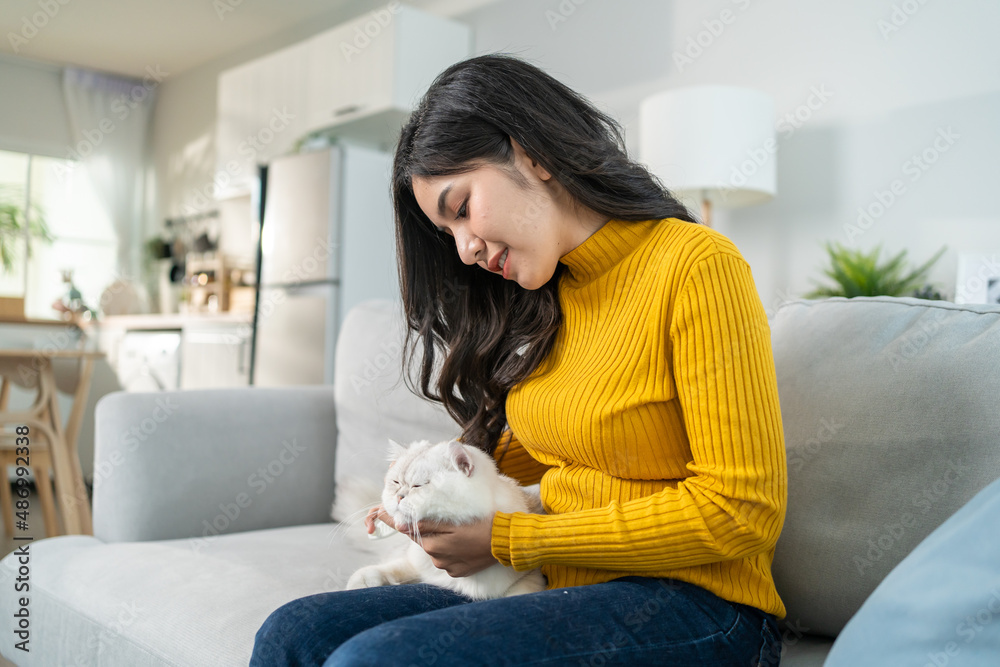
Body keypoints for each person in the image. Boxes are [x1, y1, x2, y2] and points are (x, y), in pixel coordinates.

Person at [250, 53, 787, 667]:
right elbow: (548, 445)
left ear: (530, 153)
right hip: (554, 587)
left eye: (461, 208)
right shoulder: (548, 295)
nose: (465, 249)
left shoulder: (696, 266)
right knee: (292, 633)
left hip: (703, 608)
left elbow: (743, 513)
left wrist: (509, 538)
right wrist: (430, 499)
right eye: (447, 234)